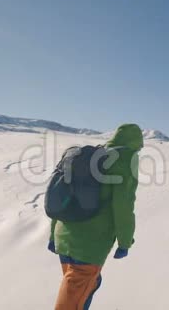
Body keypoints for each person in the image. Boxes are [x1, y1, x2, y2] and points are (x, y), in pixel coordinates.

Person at [48, 124, 143, 310]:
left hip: (64, 236)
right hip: (90, 245)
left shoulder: (92, 156)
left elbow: (61, 196)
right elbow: (123, 206)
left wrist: (53, 235)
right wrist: (124, 242)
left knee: (85, 285)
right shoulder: (126, 159)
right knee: (75, 300)